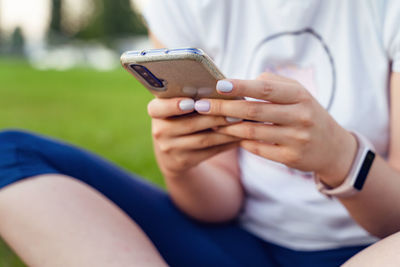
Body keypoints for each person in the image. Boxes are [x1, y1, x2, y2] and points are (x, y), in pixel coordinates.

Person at [1, 0, 400, 266]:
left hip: (372, 251)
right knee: (10, 155)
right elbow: (220, 202)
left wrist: (343, 160)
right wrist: (179, 167)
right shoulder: (184, 5)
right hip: (242, 246)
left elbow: (394, 219)